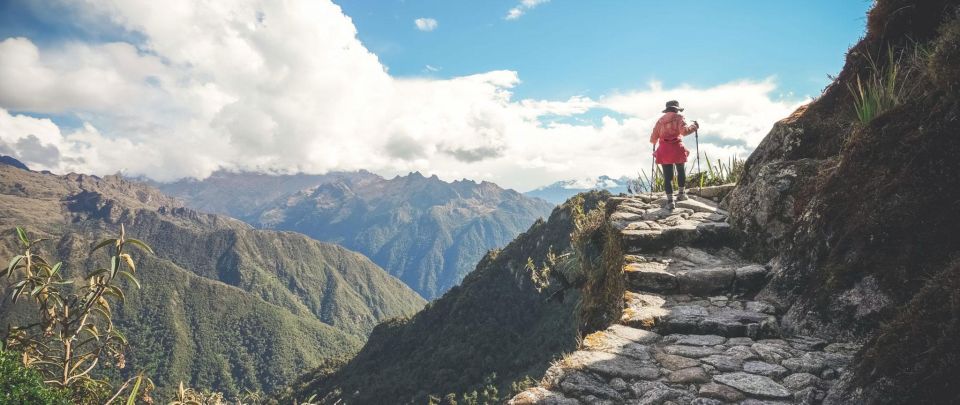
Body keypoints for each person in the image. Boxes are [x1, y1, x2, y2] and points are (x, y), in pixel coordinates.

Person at [650, 100, 699, 210]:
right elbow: (684, 132)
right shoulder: (679, 117)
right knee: (680, 170)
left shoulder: (660, 121)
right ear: (676, 109)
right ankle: (681, 194)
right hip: (677, 148)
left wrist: (654, 142)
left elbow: (653, 137)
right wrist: (694, 126)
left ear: (667, 110)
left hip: (664, 150)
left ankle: (670, 201)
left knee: (668, 177)